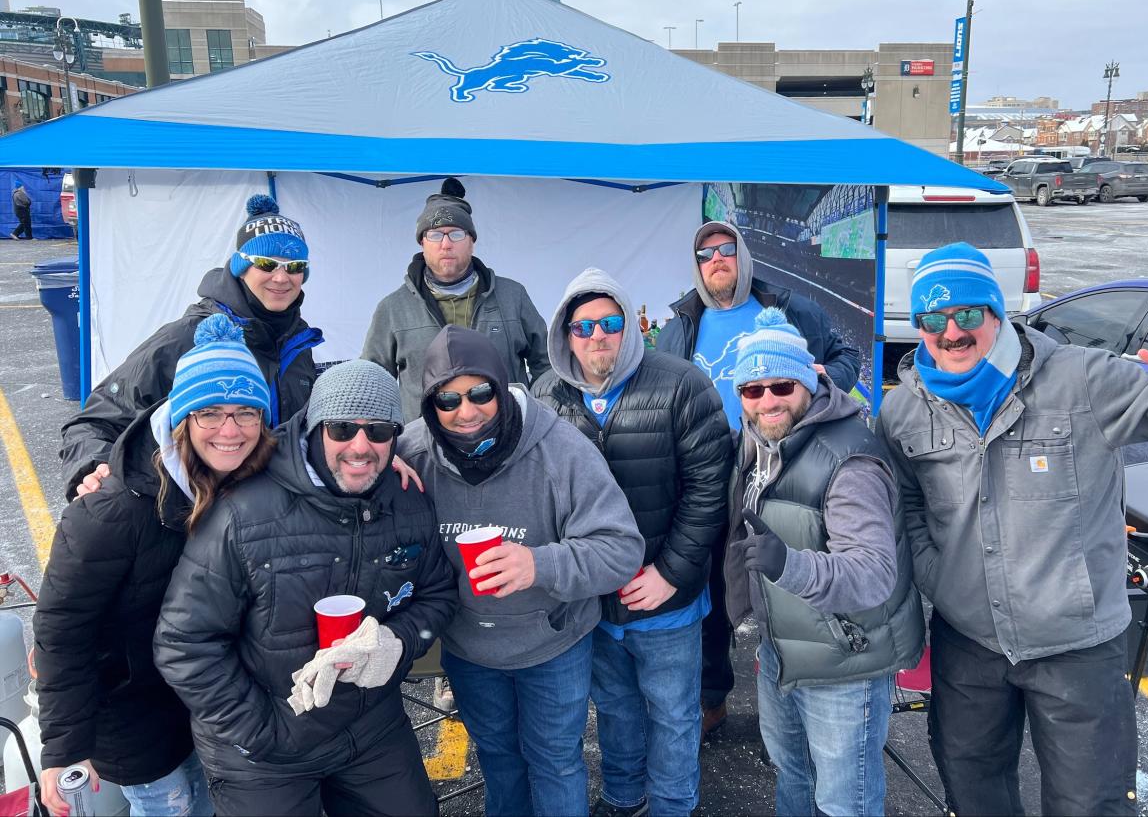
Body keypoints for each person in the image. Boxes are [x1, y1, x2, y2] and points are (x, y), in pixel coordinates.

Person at [876, 242, 1148, 816]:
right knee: (973, 790)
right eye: (933, 318)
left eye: (967, 314)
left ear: (997, 313)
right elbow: (906, 503)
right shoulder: (904, 411)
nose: (952, 332)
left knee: (1090, 804)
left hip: (1079, 648)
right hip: (969, 642)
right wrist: (938, 574)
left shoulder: (1082, 379)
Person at [154, 359, 457, 816]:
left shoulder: (407, 499)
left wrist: (399, 640)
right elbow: (183, 643)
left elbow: (438, 593)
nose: (361, 446)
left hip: (369, 727)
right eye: (341, 429)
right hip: (264, 747)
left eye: (378, 431)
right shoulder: (242, 510)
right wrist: (261, 730)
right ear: (315, 429)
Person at [397, 324, 644, 817]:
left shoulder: (560, 449)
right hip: (471, 648)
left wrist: (539, 563)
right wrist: (384, 477)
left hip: (552, 643)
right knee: (500, 761)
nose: (465, 412)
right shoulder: (414, 452)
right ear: (430, 405)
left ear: (501, 384)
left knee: (554, 763)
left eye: (480, 393)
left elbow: (621, 549)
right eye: (447, 401)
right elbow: (340, 464)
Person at [35, 314, 277, 817]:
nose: (230, 430)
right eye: (209, 412)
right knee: (170, 807)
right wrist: (63, 745)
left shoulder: (253, 482)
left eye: (246, 412)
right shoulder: (112, 508)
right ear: (181, 418)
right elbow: (63, 627)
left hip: (213, 702)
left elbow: (331, 456)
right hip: (133, 714)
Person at [532, 268, 732, 817]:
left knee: (673, 712)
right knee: (615, 708)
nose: (598, 335)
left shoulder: (681, 383)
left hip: (665, 596)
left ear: (629, 326)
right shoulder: (545, 396)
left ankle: (672, 805)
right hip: (592, 600)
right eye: (584, 326)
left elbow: (709, 491)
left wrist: (670, 574)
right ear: (564, 333)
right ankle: (623, 797)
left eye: (611, 322)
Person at [655, 219, 861, 737]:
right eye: (706, 254)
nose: (717, 260)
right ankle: (711, 697)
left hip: (775, 465)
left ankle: (792, 697)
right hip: (704, 471)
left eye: (726, 249)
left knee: (780, 574)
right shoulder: (682, 321)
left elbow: (847, 356)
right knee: (709, 582)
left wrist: (816, 385)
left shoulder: (789, 306)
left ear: (742, 255)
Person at [723, 307, 922, 817]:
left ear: (810, 382)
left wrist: (787, 564)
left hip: (844, 664)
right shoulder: (758, 446)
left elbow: (874, 573)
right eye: (753, 389)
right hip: (784, 652)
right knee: (793, 777)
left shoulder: (848, 459)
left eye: (782, 385)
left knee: (843, 802)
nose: (768, 399)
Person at [60, 193, 323, 501]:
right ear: (241, 267)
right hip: (198, 517)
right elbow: (94, 421)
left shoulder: (297, 342)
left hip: (276, 518)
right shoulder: (186, 337)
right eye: (267, 263)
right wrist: (92, 467)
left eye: (295, 266)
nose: (281, 277)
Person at [362, 176, 550, 420]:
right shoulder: (393, 309)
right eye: (436, 235)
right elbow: (373, 384)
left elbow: (548, 365)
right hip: (425, 449)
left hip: (507, 439)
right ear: (422, 243)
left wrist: (535, 415)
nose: (446, 244)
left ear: (471, 241)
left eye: (456, 234)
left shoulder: (513, 297)